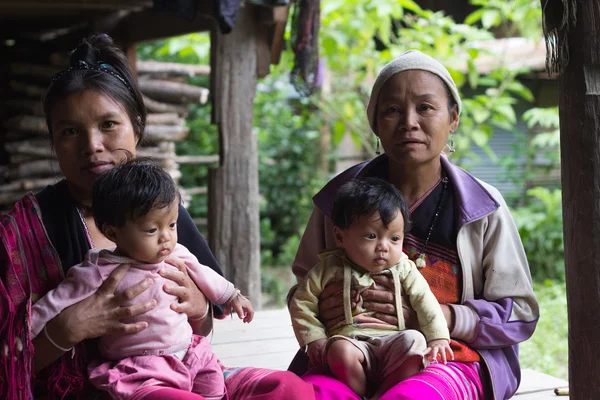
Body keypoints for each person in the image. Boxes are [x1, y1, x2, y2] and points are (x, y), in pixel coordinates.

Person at [0, 33, 314, 400]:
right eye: (70, 131)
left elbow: (202, 322)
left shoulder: (161, 212)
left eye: (108, 124)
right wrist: (66, 329)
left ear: (137, 126)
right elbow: (7, 361)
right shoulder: (23, 233)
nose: (92, 146)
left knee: (288, 389)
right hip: (116, 387)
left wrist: (199, 309)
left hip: (182, 372)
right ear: (53, 141)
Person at [288, 50, 540, 400]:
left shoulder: (485, 207)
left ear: (452, 118)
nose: (409, 121)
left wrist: (443, 316)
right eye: (392, 110)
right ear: (375, 123)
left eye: (426, 107)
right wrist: (325, 306)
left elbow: (521, 314)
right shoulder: (340, 200)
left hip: (448, 355)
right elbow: (302, 290)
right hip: (348, 350)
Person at [30, 159, 254, 400]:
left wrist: (232, 295)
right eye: (151, 230)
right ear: (113, 233)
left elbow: (206, 275)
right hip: (142, 369)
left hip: (191, 353)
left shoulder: (178, 254)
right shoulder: (99, 270)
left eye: (172, 224)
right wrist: (27, 330)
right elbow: (56, 301)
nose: (166, 237)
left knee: (215, 389)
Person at [289, 177, 453, 399]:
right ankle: (358, 392)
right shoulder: (329, 268)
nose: (383, 247)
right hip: (352, 342)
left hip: (394, 341)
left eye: (394, 238)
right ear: (340, 236)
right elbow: (302, 302)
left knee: (415, 342)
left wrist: (438, 337)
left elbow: (426, 302)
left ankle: (384, 393)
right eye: (371, 236)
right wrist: (315, 338)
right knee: (339, 351)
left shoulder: (405, 268)